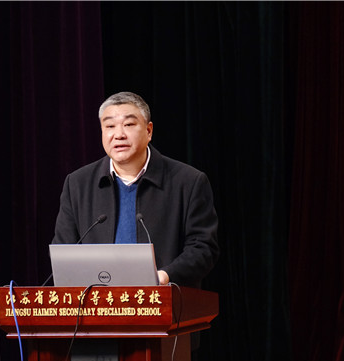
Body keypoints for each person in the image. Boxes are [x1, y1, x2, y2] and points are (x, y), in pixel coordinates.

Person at [52, 91, 219, 288]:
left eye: (129, 124)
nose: (119, 134)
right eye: (110, 126)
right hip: (97, 303)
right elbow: (64, 251)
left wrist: (164, 276)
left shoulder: (188, 182)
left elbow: (203, 248)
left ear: (149, 131)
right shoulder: (77, 184)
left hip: (163, 299)